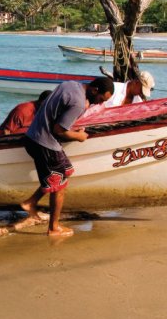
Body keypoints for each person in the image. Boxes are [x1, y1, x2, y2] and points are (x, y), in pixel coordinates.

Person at [20, 77, 114, 241]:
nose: (99, 103)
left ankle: (30, 202)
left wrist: (73, 124)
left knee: (66, 171)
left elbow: (57, 114)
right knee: (60, 186)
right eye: (100, 100)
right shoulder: (78, 102)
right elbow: (59, 131)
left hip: (33, 137)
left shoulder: (70, 84)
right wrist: (79, 136)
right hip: (45, 144)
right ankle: (54, 228)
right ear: (95, 90)